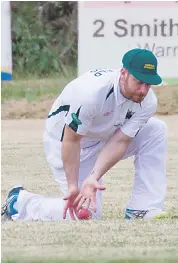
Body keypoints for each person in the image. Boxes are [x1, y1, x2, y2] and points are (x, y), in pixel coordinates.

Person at [2, 48, 168, 221]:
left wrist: (93, 178)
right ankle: (20, 203)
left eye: (148, 84)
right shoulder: (91, 94)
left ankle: (142, 209)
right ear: (124, 73)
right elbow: (71, 140)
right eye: (139, 82)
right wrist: (73, 185)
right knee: (85, 215)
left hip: (103, 137)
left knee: (156, 130)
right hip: (67, 143)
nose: (143, 90)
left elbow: (120, 141)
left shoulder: (147, 101)